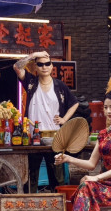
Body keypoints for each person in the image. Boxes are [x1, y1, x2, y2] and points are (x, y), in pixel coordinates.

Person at [14, 50, 78, 192]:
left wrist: (64, 119)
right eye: (40, 64)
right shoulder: (31, 82)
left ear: (51, 66)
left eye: (47, 64)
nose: (44, 67)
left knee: (57, 177)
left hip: (55, 138)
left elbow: (74, 103)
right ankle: (30, 206)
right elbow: (17, 66)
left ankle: (58, 207)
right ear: (36, 67)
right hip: (33, 138)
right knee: (31, 176)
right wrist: (34, 55)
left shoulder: (59, 86)